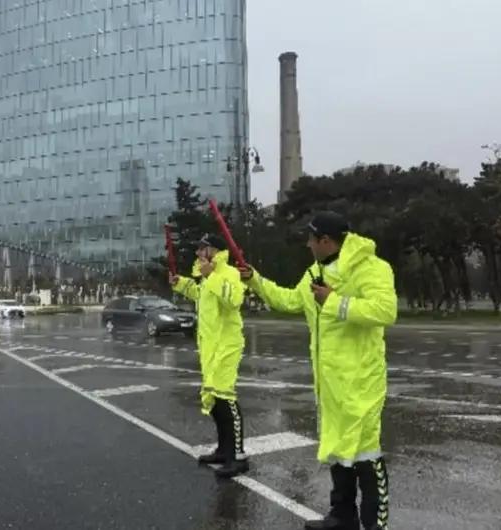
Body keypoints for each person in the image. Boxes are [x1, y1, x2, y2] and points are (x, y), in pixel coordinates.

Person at [239, 211, 396, 530]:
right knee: (337, 450)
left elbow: (385, 310)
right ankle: (342, 516)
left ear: (326, 241)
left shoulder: (371, 268)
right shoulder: (315, 272)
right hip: (329, 384)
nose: (307, 245)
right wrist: (254, 278)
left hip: (361, 383)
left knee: (366, 454)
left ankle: (375, 525)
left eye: (311, 239)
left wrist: (335, 301)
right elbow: (288, 301)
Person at [170, 234, 249, 478]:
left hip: (226, 345)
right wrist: (181, 283)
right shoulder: (207, 278)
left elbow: (234, 300)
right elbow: (200, 293)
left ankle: (238, 455)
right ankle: (224, 450)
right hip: (210, 347)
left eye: (202, 249)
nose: (197, 254)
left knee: (226, 399)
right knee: (215, 401)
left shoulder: (228, 273)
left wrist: (211, 275)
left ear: (213, 251)